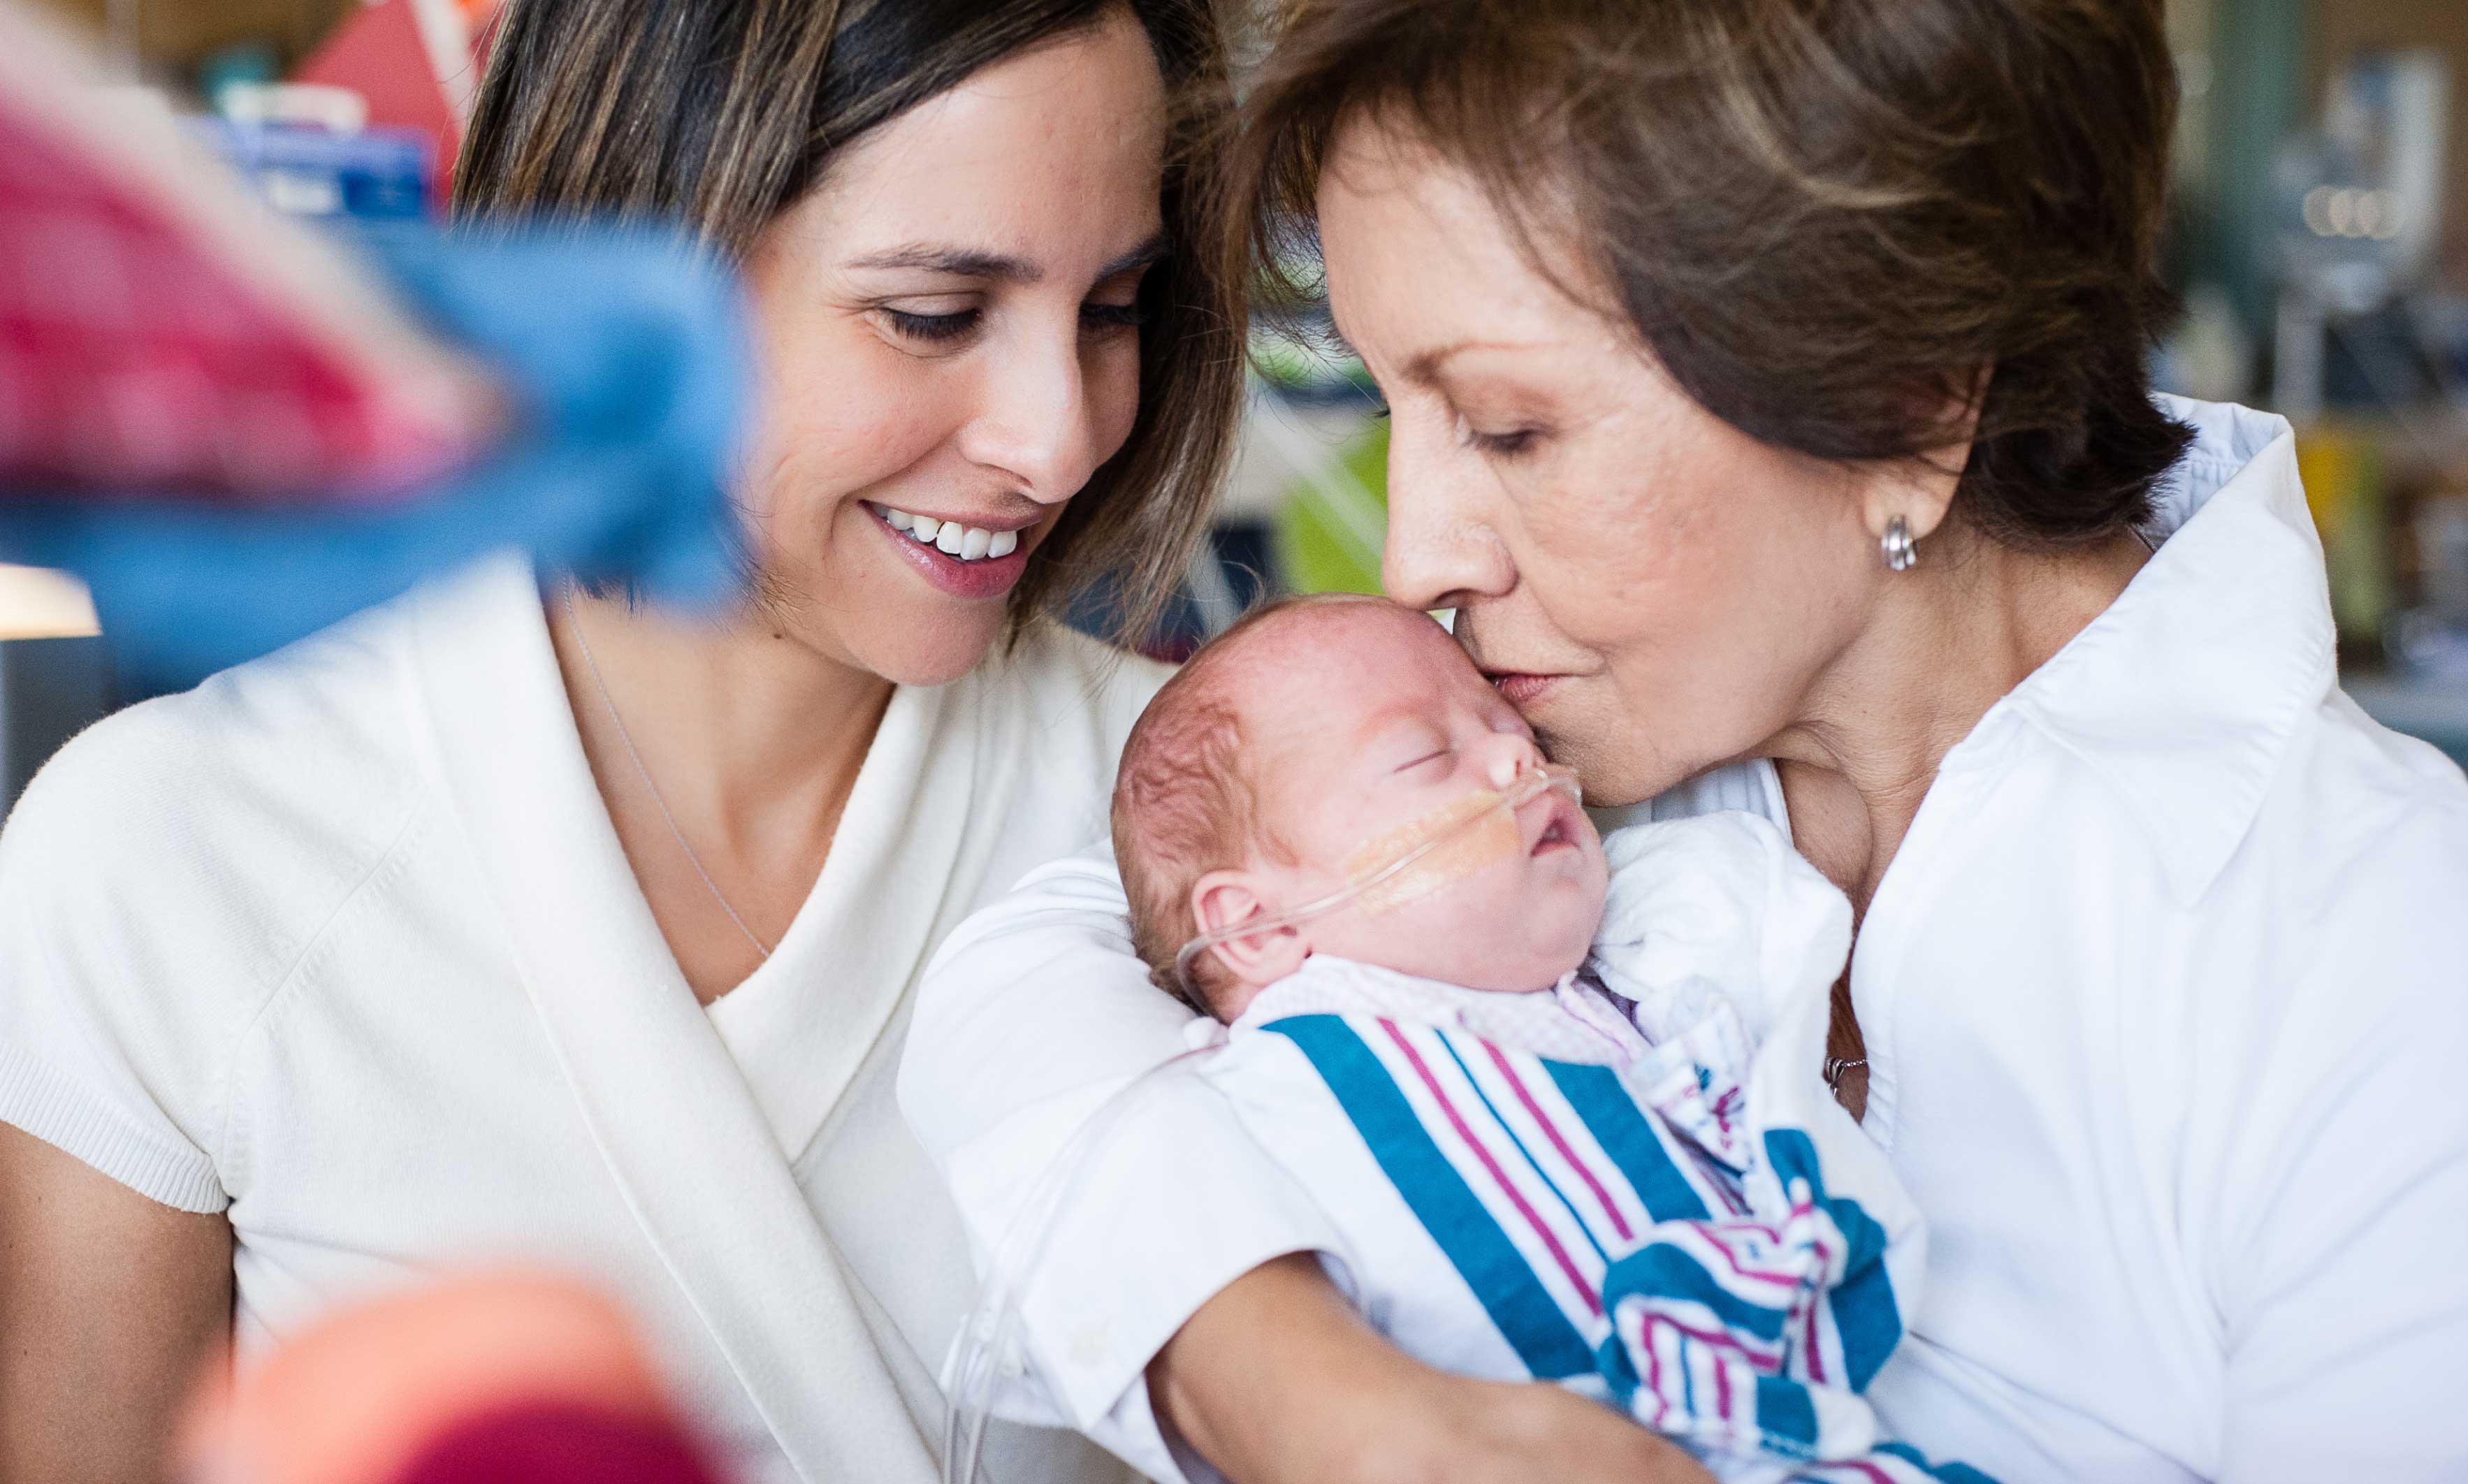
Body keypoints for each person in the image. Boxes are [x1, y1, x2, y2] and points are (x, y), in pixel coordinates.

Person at [899, 1, 2468, 1481]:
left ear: (1906, 399)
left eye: (1509, 428)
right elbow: (1050, 967)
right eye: (1398, 414)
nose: (1413, 558)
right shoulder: (1559, 746)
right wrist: (1305, 1390)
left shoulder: (2377, 961)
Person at [0, 1, 1239, 1481]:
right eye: (933, 314)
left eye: (1111, 310)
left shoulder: (1224, 822)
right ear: (633, 242)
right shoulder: (168, 858)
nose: (1056, 437)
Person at [1033, 592, 1957, 1481]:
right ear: (1255, 931)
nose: (1516, 762)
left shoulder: (1646, 986)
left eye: (1509, 728)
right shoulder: (1262, 1087)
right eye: (1425, 758)